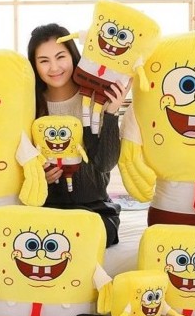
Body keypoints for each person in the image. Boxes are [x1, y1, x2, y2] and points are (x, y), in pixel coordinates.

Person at [27, 23, 124, 246]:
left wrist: (111, 112)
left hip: (94, 209)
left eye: (60, 57)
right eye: (44, 61)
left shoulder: (95, 98)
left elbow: (105, 164)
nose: (54, 67)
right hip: (46, 208)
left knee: (88, 235)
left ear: (73, 56)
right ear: (34, 66)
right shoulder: (30, 105)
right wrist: (38, 176)